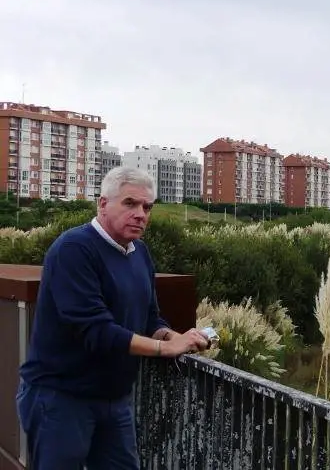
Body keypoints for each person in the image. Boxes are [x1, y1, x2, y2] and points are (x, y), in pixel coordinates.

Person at [16, 166, 210, 469]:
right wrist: (164, 349)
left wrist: (175, 337)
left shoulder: (140, 253)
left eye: (147, 207)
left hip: (114, 400)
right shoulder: (74, 249)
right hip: (61, 398)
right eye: (130, 203)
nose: (140, 214)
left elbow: (149, 319)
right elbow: (95, 330)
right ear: (103, 204)